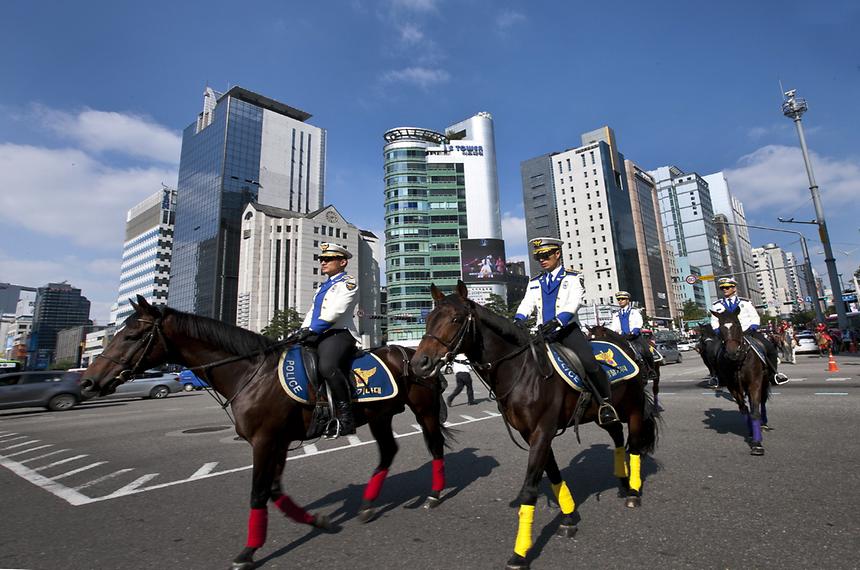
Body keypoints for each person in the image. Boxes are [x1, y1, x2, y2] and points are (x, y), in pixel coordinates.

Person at [513, 237, 619, 425]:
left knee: (589, 363)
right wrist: (519, 319)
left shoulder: (573, 277)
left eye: (545, 255)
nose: (542, 260)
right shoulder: (535, 281)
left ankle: (605, 403)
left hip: (567, 332)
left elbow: (574, 302)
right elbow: (527, 303)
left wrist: (558, 321)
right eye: (538, 257)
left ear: (557, 254)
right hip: (542, 334)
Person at [294, 243, 360, 437]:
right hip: (318, 333)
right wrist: (301, 331)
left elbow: (336, 311)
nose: (323, 262)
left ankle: (346, 418)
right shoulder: (323, 286)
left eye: (328, 259)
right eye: (321, 259)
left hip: (339, 334)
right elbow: (313, 312)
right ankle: (318, 411)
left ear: (342, 262)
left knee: (327, 367)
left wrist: (312, 330)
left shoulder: (348, 283)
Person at [710, 276, 788, 385]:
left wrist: (752, 328)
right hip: (727, 335)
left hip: (748, 332)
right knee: (712, 351)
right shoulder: (716, 305)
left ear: (734, 288)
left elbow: (754, 317)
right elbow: (714, 320)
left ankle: (773, 374)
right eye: (722, 288)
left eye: (727, 287)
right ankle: (717, 377)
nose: (725, 290)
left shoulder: (745, 302)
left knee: (770, 348)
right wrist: (719, 331)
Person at [609, 291, 656, 380]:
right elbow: (613, 327)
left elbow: (638, 323)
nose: (620, 301)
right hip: (622, 338)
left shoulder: (635, 312)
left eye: (622, 299)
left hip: (634, 337)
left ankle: (651, 370)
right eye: (619, 299)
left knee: (645, 350)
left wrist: (634, 331)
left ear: (627, 300)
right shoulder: (615, 314)